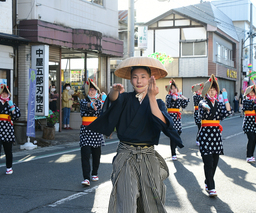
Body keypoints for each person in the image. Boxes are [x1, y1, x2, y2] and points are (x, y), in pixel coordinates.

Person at [86, 56, 183, 213]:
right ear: (130, 80)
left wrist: (151, 96)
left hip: (148, 155)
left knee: (151, 203)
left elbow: (164, 124)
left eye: (143, 77)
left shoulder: (158, 102)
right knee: (126, 202)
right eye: (135, 77)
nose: (139, 81)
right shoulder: (124, 99)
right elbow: (112, 100)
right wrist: (114, 91)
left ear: (150, 79)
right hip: (126, 154)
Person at [198, 74, 232, 197]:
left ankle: (208, 181)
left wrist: (226, 98)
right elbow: (203, 107)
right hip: (206, 135)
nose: (212, 93)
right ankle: (211, 188)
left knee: (215, 162)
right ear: (206, 91)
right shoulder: (203, 102)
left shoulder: (219, 103)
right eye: (210, 91)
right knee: (208, 163)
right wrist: (206, 106)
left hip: (216, 136)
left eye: (214, 91)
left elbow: (228, 112)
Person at [0, 84, 21, 180]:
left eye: (5, 93)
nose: (4, 95)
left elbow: (17, 116)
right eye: (2, 93)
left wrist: (13, 111)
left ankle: (9, 167)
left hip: (7, 129)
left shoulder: (11, 104)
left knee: (8, 151)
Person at [80, 78, 107, 186]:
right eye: (90, 90)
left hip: (96, 131)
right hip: (85, 132)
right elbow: (85, 106)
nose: (92, 91)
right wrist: (90, 105)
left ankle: (94, 173)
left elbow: (105, 111)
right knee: (85, 155)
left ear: (97, 92)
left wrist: (105, 101)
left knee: (96, 155)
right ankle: (86, 178)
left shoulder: (100, 102)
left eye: (94, 90)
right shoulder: (83, 101)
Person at [165, 79, 189, 160]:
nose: (173, 89)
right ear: (169, 90)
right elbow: (170, 101)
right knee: (173, 136)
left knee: (179, 132)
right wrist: (174, 97)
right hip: (171, 117)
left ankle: (174, 147)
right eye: (172, 88)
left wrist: (181, 96)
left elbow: (184, 104)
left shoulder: (178, 97)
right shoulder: (168, 96)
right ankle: (173, 153)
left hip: (177, 117)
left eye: (174, 88)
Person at [242, 85, 256, 163]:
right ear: (247, 93)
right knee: (251, 138)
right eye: (250, 92)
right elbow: (249, 105)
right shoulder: (245, 100)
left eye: (253, 92)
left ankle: (252, 155)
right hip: (248, 122)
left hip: (255, 122)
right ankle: (248, 156)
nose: (251, 93)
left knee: (255, 139)